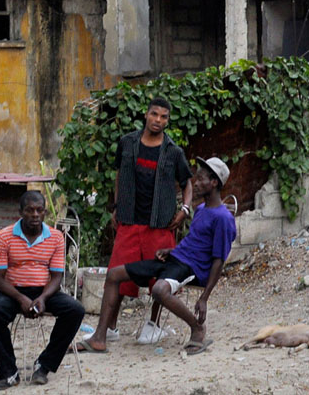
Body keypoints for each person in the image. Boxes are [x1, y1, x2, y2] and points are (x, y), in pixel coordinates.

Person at [76, 156, 236, 356]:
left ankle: (197, 328)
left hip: (192, 269)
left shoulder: (223, 218)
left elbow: (219, 260)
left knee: (159, 290)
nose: (196, 182)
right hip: (176, 260)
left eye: (201, 179)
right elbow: (196, 242)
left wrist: (204, 298)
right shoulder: (202, 209)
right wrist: (171, 251)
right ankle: (99, 337)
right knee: (114, 274)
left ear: (214, 183)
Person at [106, 96, 193, 344]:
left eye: (163, 117)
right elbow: (119, 176)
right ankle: (110, 328)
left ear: (167, 120)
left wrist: (185, 209)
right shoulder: (127, 143)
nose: (158, 120)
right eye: (154, 114)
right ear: (146, 114)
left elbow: (187, 183)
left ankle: (152, 326)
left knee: (161, 279)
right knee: (117, 274)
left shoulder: (173, 151)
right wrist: (116, 205)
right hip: (129, 221)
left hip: (160, 224)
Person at [0, 190, 84, 391]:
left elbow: (56, 277)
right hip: (12, 291)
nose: (35, 215)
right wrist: (21, 299)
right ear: (21, 212)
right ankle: (9, 372)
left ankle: (44, 365)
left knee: (75, 310)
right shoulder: (4, 236)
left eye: (39, 210)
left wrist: (43, 297)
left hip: (45, 291)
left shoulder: (55, 237)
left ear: (45, 212)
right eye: (29, 210)